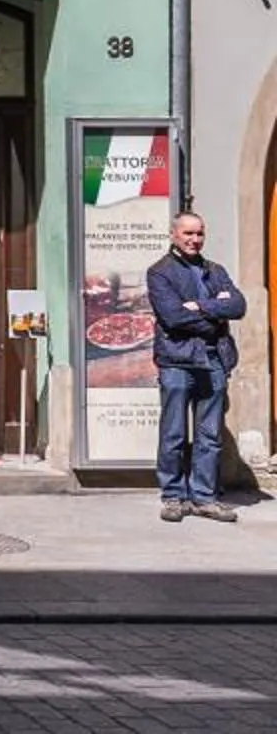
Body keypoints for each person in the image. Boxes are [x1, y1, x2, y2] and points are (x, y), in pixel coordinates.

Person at [148, 208, 247, 523]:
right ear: (174, 234)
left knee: (209, 435)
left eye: (199, 233)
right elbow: (173, 317)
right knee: (174, 433)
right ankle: (173, 496)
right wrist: (215, 318)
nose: (194, 239)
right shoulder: (160, 272)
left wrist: (202, 305)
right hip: (177, 361)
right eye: (188, 233)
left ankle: (204, 497)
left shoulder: (214, 270)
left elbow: (239, 305)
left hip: (213, 360)